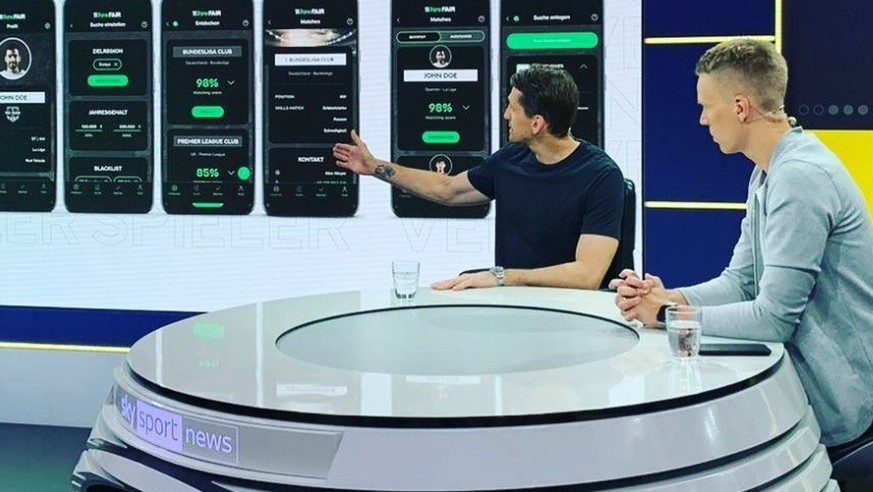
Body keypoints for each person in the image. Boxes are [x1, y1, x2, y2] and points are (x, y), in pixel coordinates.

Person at [611, 39, 873, 448]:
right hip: (802, 394)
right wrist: (670, 297)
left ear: (739, 107)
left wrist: (667, 316)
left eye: (706, 106)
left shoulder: (800, 177)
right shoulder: (768, 172)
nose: (702, 119)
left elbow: (772, 319)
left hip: (844, 409)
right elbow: (741, 282)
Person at [333, 65, 626, 291]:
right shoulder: (511, 159)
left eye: (512, 107)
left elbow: (587, 275)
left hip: (576, 317)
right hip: (516, 307)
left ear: (537, 123)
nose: (506, 115)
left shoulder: (602, 176)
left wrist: (500, 277)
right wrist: (375, 167)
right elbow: (448, 189)